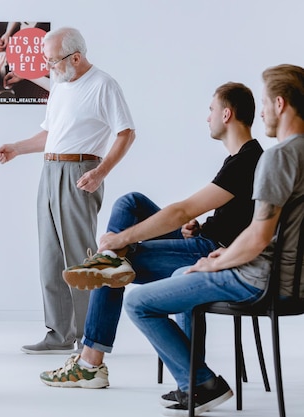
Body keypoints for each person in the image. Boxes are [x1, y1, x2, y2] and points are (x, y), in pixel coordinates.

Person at [39, 82, 264, 389]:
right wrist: (196, 228)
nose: (207, 117)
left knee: (109, 269)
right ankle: (109, 262)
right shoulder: (242, 158)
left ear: (226, 114)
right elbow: (230, 217)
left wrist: (121, 239)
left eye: (211, 110)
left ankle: (90, 363)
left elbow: (181, 212)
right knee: (131, 203)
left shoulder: (247, 160)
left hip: (213, 252)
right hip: (203, 240)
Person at [124, 64, 304, 416]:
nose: (262, 111)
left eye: (266, 102)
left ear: (280, 104)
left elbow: (257, 235)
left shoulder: (278, 157)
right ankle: (194, 382)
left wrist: (216, 261)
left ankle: (202, 384)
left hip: (262, 280)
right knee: (181, 275)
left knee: (138, 302)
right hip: (296, 281)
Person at [0, 27, 136, 354]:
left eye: (52, 60)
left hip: (81, 172)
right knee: (50, 258)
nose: (48, 66)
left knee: (80, 260)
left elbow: (126, 133)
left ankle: (90, 339)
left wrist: (100, 172)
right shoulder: (59, 87)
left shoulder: (103, 85)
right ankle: (59, 334)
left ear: (76, 57)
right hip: (50, 170)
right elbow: (50, 134)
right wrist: (16, 147)